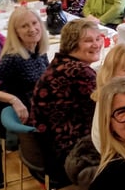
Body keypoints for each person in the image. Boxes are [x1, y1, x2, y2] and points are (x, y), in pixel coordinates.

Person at [30, 18, 101, 181]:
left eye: (98, 38)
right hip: (69, 154)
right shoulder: (79, 72)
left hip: (49, 147)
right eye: (88, 41)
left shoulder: (60, 62)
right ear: (72, 43)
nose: (97, 44)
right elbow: (107, 108)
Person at [0, 6, 50, 123]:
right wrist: (13, 99)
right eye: (24, 26)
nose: (32, 29)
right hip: (30, 114)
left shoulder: (39, 50)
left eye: (34, 23)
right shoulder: (13, 58)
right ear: (16, 32)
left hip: (44, 105)